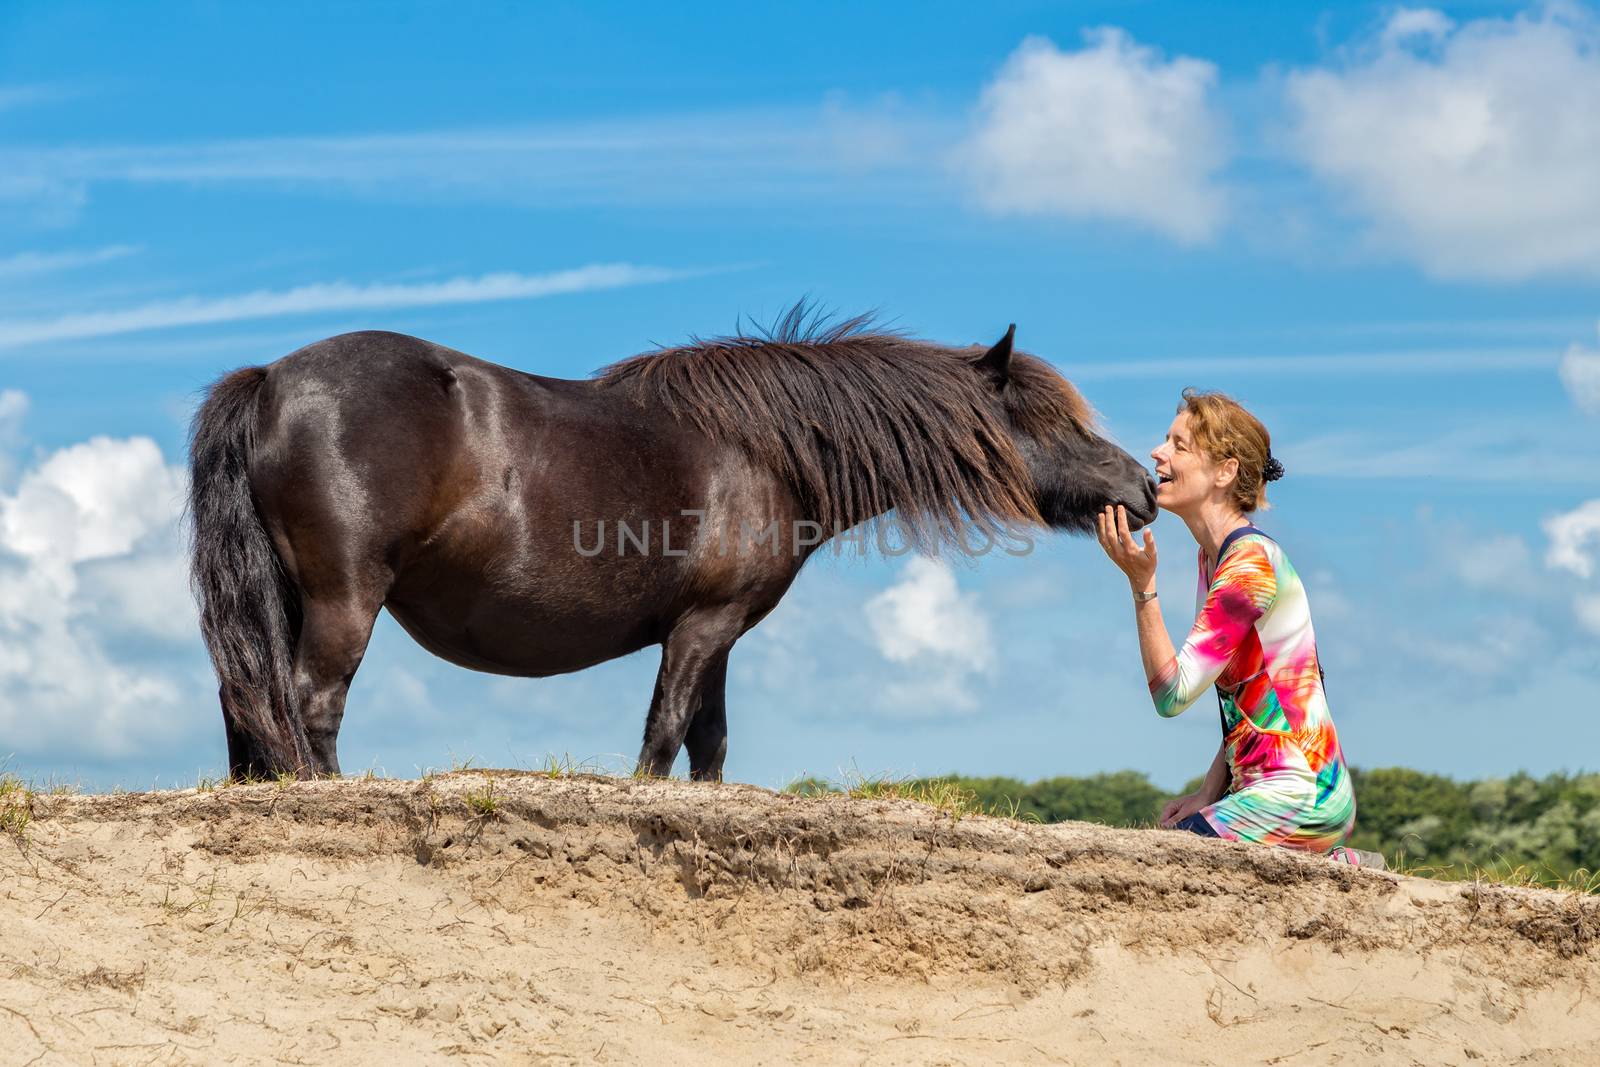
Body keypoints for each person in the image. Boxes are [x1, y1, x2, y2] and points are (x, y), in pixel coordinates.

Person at [1095, 388, 1378, 868]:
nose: (1157, 453)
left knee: (1160, 861)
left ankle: (1338, 868)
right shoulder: (1213, 557)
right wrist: (1210, 791)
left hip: (1298, 794)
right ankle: (1331, 869)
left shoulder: (1249, 565)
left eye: (1178, 445)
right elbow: (1252, 699)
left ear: (1225, 472)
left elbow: (1172, 695)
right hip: (1269, 792)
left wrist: (1143, 587)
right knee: (1167, 849)